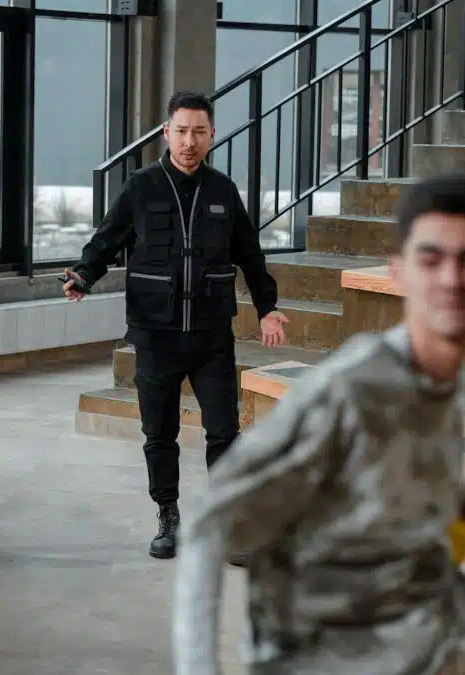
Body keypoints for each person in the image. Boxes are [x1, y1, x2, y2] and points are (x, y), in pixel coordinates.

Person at [172, 175, 465, 675]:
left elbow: (386, 546)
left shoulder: (448, 383)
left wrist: (462, 527)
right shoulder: (350, 389)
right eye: (431, 259)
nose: (451, 279)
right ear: (397, 274)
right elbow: (209, 527)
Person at [62, 91, 289, 560]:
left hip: (210, 338)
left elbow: (250, 254)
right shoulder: (141, 186)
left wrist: (267, 306)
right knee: (159, 434)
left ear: (211, 136)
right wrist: (84, 274)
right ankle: (168, 516)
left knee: (224, 432)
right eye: (181, 131)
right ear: (167, 133)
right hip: (155, 335)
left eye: (199, 132)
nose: (190, 141)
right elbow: (107, 240)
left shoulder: (223, 190)